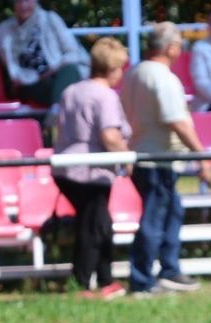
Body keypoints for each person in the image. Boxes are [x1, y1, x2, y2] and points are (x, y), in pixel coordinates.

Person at [120, 23, 210, 297]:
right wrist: (201, 156)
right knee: (154, 221)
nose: (181, 49)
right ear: (170, 47)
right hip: (157, 159)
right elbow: (178, 122)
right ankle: (142, 280)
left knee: (170, 214)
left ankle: (169, 271)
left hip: (145, 156)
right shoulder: (163, 78)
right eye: (179, 43)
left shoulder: (134, 73)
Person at [54, 38, 131, 300]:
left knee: (98, 223)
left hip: (65, 168)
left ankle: (105, 279)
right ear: (113, 68)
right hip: (91, 170)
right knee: (92, 227)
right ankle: (83, 282)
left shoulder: (71, 90)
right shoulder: (106, 95)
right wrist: (127, 158)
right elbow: (109, 136)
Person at [0, 0, 89, 107]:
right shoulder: (6, 28)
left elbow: (73, 53)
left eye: (27, 0)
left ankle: (56, 113)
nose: (23, 5)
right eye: (19, 1)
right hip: (29, 83)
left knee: (70, 71)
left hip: (56, 76)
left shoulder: (51, 19)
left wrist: (50, 71)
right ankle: (56, 116)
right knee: (67, 91)